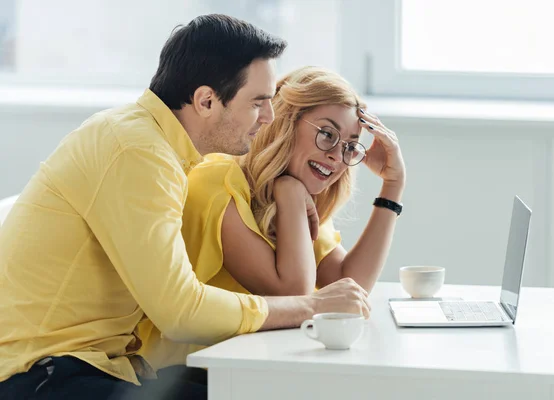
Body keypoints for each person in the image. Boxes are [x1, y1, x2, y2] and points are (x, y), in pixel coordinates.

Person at [0, 15, 370, 400]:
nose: (270, 117)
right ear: (206, 100)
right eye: (258, 102)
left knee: (268, 388)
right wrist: (309, 306)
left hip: (97, 366)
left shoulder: (159, 148)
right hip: (40, 375)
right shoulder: (138, 152)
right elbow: (180, 311)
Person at [137, 66, 406, 371]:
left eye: (349, 146)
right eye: (327, 134)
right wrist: (290, 193)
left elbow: (350, 289)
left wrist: (393, 185)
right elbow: (296, 297)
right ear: (284, 123)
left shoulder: (299, 193)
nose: (336, 156)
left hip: (250, 364)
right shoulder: (218, 181)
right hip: (187, 373)